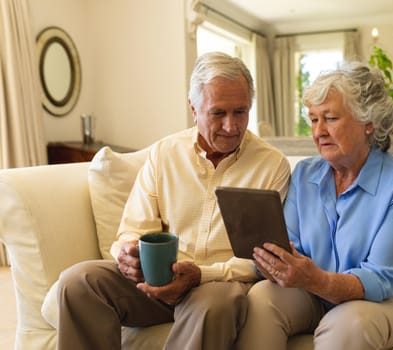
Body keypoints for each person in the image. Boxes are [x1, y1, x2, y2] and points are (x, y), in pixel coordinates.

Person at [56, 52, 290, 350]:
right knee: (77, 282)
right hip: (158, 278)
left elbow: (261, 259)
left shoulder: (271, 166)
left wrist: (200, 274)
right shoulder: (164, 154)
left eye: (240, 112)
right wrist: (128, 253)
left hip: (218, 286)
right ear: (193, 108)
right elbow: (133, 229)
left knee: (215, 304)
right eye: (218, 113)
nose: (231, 127)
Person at [235, 61, 393, 350]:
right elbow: (291, 245)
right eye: (314, 119)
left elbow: (381, 279)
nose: (319, 132)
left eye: (330, 118)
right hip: (316, 294)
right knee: (261, 298)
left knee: (347, 323)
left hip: (392, 299)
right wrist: (275, 264)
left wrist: (315, 279)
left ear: (369, 123)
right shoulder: (304, 174)